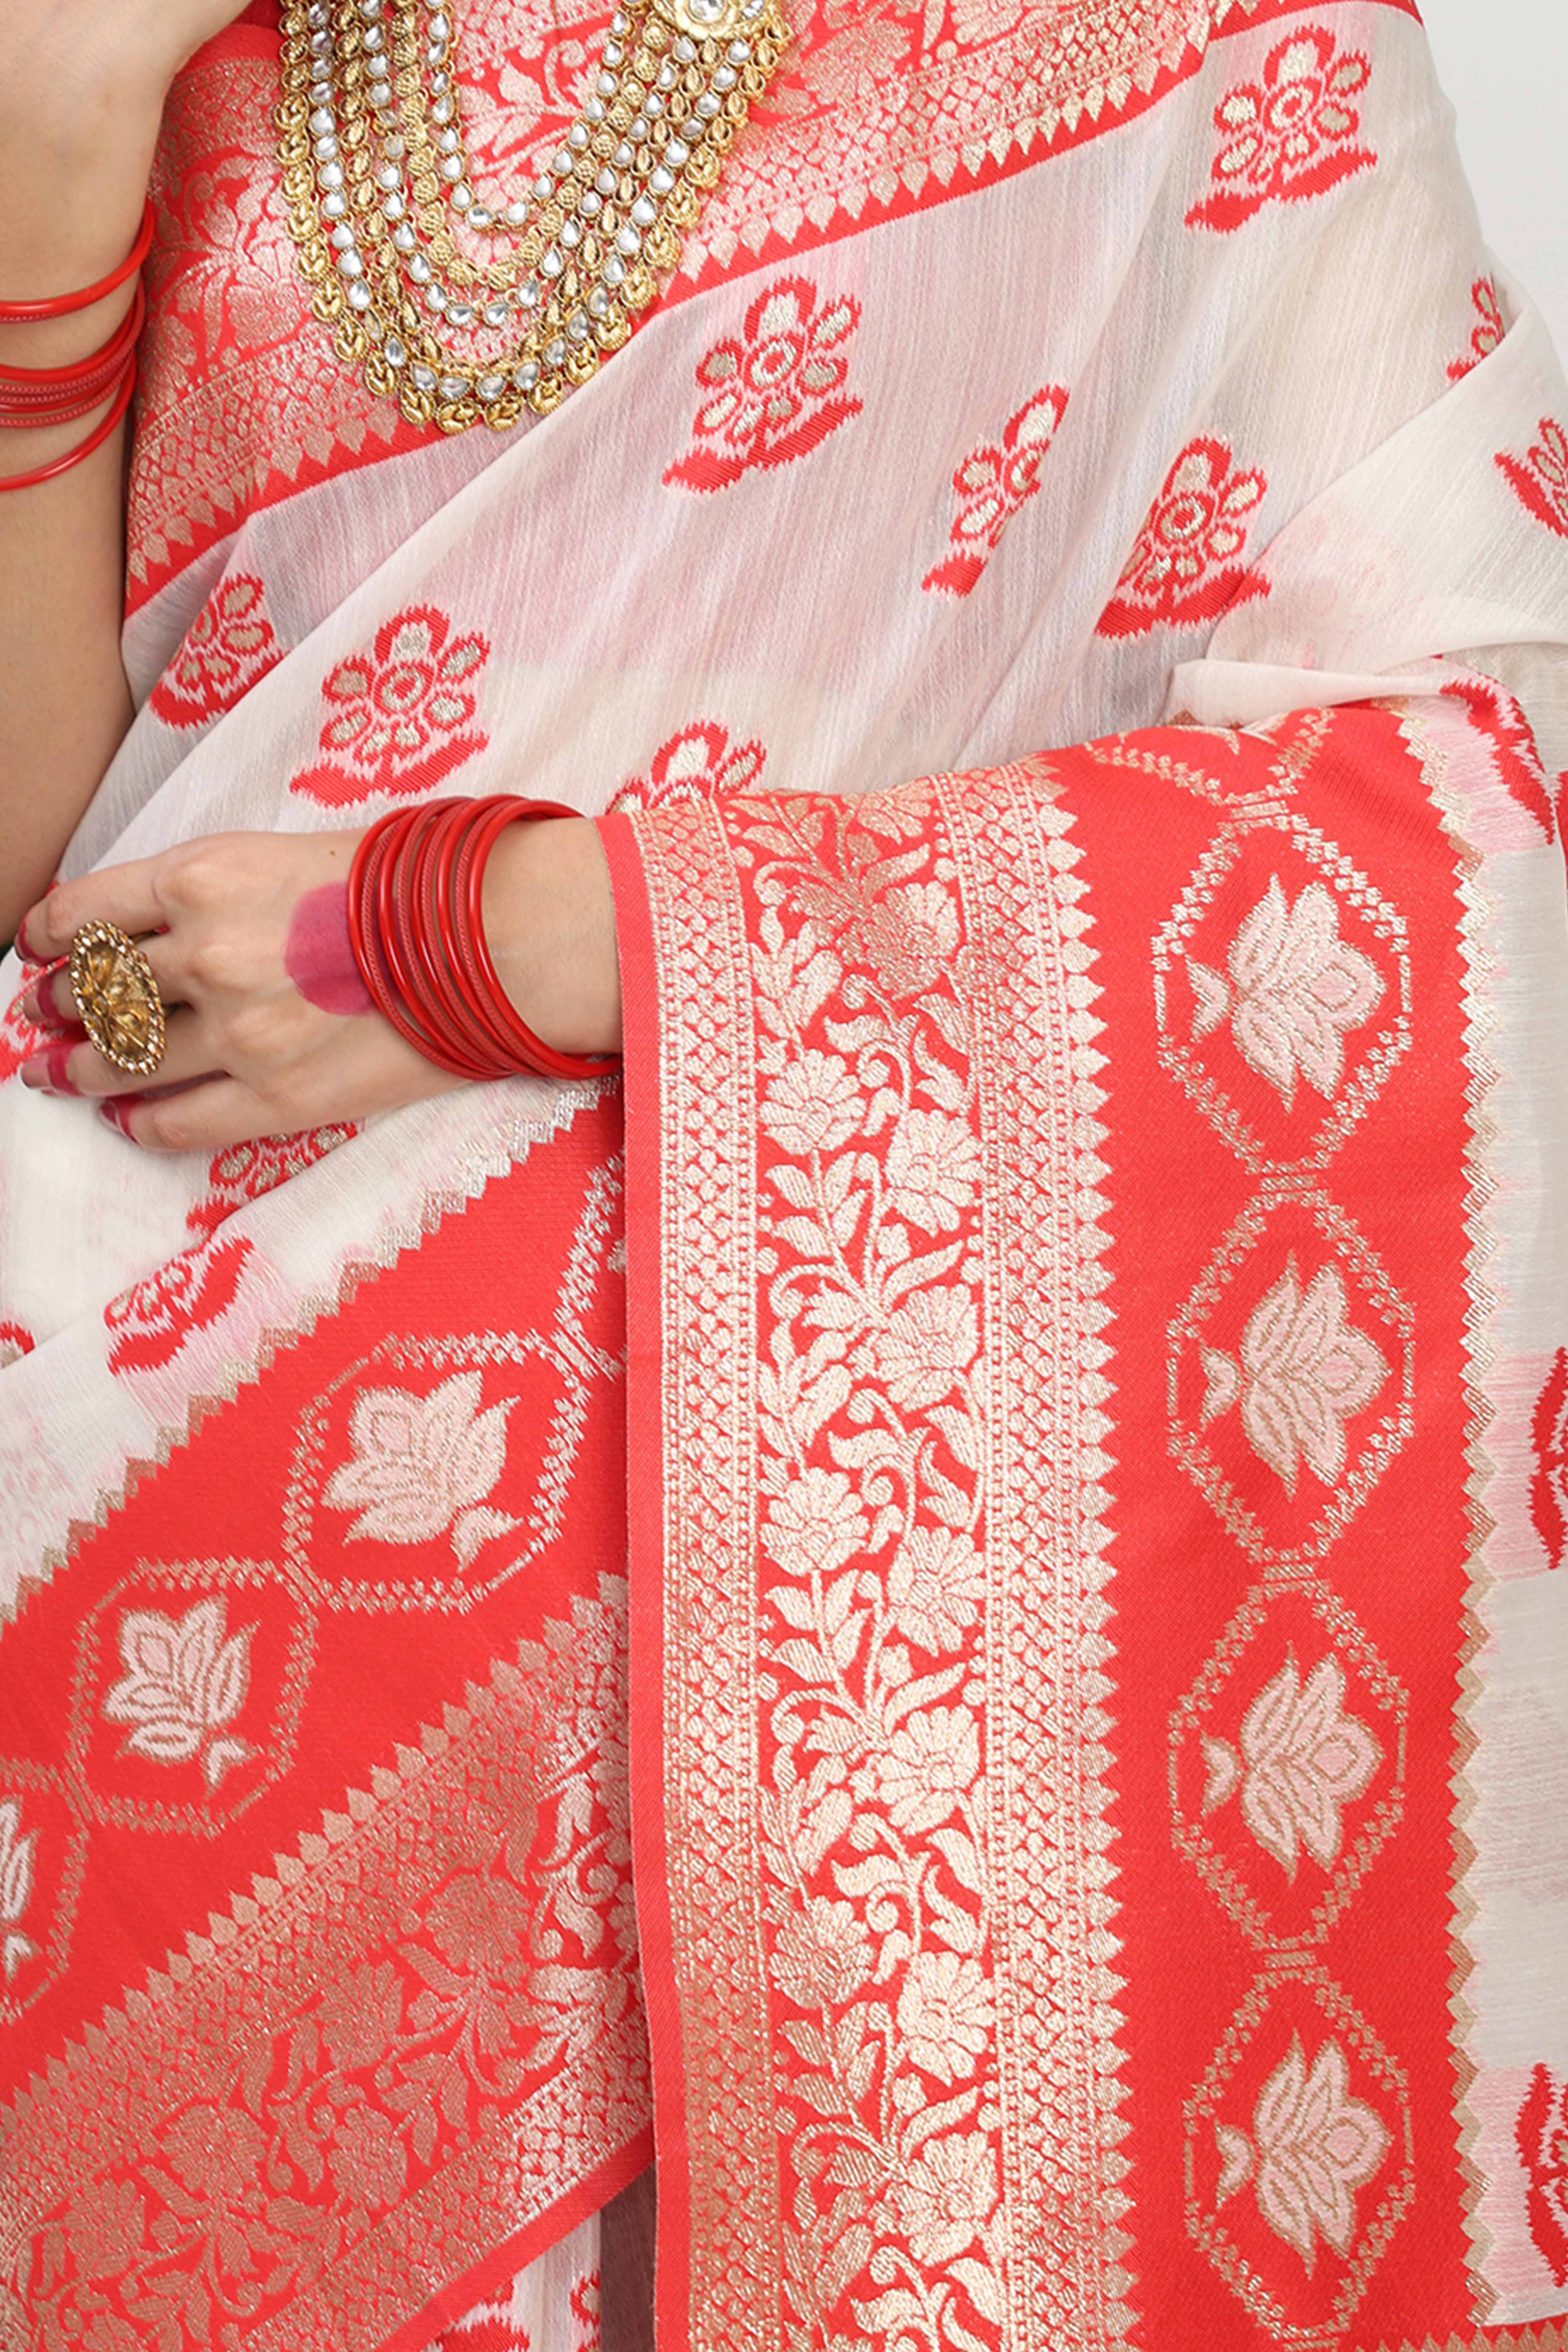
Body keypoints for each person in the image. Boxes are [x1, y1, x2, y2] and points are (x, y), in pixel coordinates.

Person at [0, 0, 1565, 2344]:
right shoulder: (183, 51)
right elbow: (45, 882)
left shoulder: (1217, 36)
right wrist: (50, 136)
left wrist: (541, 928)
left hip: (754, 1438)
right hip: (95, 1290)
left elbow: (1469, 801)